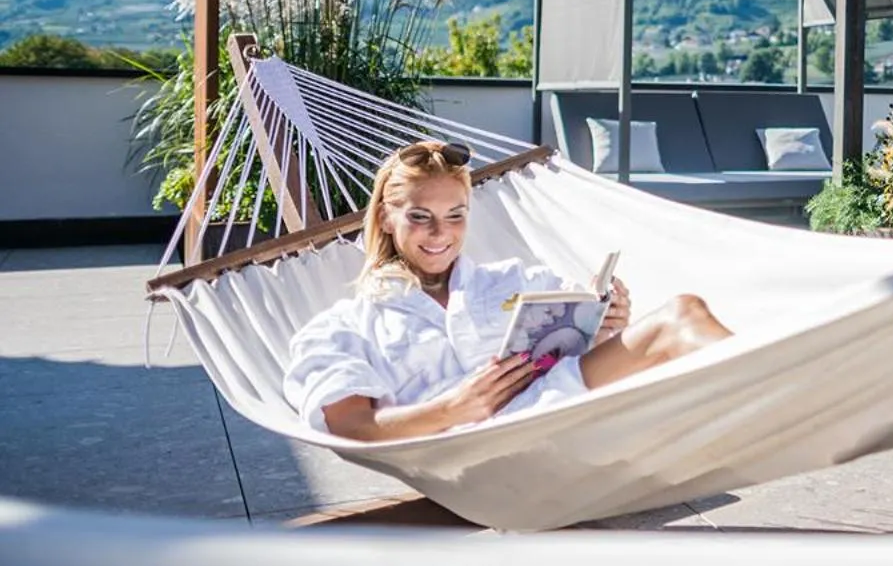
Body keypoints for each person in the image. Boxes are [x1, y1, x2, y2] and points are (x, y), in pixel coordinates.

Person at [284, 139, 731, 442]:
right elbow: (351, 425)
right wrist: (453, 408)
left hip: (565, 410)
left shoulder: (515, 279)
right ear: (385, 218)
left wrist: (606, 323)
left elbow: (580, 348)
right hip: (474, 449)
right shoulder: (346, 327)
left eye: (456, 215)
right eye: (421, 217)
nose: (441, 233)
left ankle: (781, 395)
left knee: (682, 314)